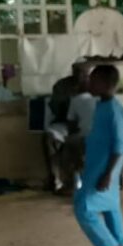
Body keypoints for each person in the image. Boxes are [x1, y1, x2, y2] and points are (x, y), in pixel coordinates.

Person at [73, 64, 123, 246]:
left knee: (83, 207)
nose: (89, 83)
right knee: (110, 210)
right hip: (96, 165)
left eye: (93, 80)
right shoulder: (101, 105)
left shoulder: (114, 110)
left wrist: (108, 173)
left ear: (106, 84)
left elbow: (119, 145)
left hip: (104, 169)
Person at [44, 60, 92, 193]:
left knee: (74, 144)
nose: (82, 78)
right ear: (72, 72)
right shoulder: (62, 86)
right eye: (79, 74)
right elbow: (56, 109)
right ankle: (55, 179)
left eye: (85, 75)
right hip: (65, 123)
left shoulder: (94, 86)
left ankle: (73, 181)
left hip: (85, 126)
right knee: (50, 138)